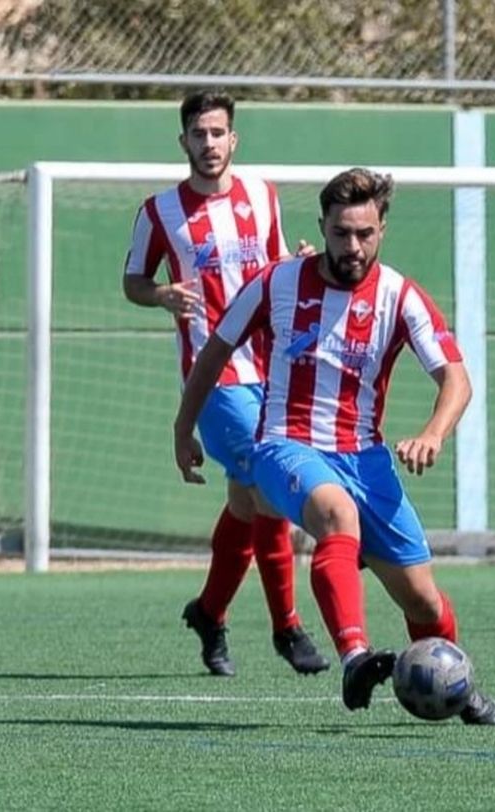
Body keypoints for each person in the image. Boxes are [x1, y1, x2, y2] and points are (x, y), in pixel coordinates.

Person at [173, 168, 495, 725]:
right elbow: (215, 351)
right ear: (322, 227)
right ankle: (355, 656)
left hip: (366, 459)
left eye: (365, 234)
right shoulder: (277, 282)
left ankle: (457, 684)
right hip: (286, 445)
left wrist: (432, 433)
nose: (353, 246)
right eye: (342, 233)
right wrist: (183, 429)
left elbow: (457, 378)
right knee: (335, 513)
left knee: (423, 600)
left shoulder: (401, 295)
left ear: (382, 230)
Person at [124, 90, 326, 677]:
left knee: (246, 500)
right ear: (182, 141)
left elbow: (277, 265)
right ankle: (288, 627)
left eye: (218, 133)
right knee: (268, 487)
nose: (209, 144)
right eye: (198, 134)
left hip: (273, 368)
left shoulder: (262, 196)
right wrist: (160, 294)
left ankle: (210, 612)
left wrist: (301, 261)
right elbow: (133, 280)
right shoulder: (159, 211)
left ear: (233, 139)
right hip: (214, 378)